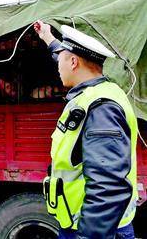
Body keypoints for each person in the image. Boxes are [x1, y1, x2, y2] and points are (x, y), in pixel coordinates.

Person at [34, 21, 138, 239]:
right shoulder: (100, 90)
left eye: (61, 59)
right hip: (86, 224)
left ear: (73, 62)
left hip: (95, 230)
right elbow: (65, 56)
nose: (57, 65)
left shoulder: (101, 108)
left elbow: (107, 187)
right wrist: (47, 38)